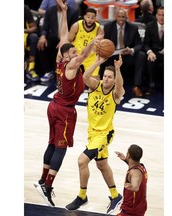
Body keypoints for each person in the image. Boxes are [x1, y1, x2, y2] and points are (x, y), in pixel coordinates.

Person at [34, 0, 103, 207]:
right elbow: (82, 55)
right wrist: (96, 40)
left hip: (54, 105)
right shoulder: (72, 64)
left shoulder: (60, 59)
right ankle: (48, 185)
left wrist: (64, 13)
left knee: (52, 144)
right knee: (61, 149)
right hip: (64, 111)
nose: (75, 53)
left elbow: (64, 36)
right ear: (67, 56)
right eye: (72, 53)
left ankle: (42, 179)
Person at [66, 54, 124, 214]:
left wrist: (118, 70)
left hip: (104, 135)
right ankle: (115, 196)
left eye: (109, 77)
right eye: (105, 76)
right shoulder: (95, 86)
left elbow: (120, 86)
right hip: (92, 134)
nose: (106, 79)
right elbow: (85, 77)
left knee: (81, 161)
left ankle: (82, 196)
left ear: (113, 79)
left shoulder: (115, 93)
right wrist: (97, 62)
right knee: (102, 165)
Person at [100, 9, 146, 97]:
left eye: (123, 17)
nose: (121, 19)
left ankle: (136, 86)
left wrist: (131, 50)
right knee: (102, 56)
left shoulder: (133, 28)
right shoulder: (108, 27)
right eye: (119, 16)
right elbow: (104, 42)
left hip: (127, 55)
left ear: (126, 18)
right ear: (116, 17)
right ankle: (104, 85)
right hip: (112, 55)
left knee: (141, 55)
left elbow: (139, 45)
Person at [37, 0, 79, 82]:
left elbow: (73, 30)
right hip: (54, 38)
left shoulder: (73, 12)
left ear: (65, 1)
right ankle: (48, 71)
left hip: (68, 39)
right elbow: (45, 27)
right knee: (41, 43)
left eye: (62, 2)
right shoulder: (50, 10)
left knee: (65, 49)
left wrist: (64, 40)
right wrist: (43, 36)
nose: (60, 3)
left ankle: (65, 73)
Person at [68, 7, 104, 80]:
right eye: (88, 17)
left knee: (95, 81)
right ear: (84, 17)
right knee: (70, 78)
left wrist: (97, 50)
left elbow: (100, 45)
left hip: (90, 56)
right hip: (77, 55)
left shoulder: (99, 29)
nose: (90, 19)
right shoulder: (76, 25)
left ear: (95, 18)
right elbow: (69, 40)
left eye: (92, 18)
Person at [115, 144, 148, 216]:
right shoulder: (142, 168)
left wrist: (132, 187)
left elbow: (136, 186)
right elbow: (133, 166)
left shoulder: (135, 173)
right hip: (140, 208)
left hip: (130, 211)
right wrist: (125, 159)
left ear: (129, 156)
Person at [143, 6, 164, 96]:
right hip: (154, 53)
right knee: (150, 59)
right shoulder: (150, 26)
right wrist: (149, 52)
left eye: (164, 15)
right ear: (156, 15)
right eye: (159, 15)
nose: (161, 17)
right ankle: (151, 86)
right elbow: (146, 44)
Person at [24, 4, 39, 81]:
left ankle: (31, 67)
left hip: (24, 34)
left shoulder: (24, 8)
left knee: (33, 37)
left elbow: (33, 27)